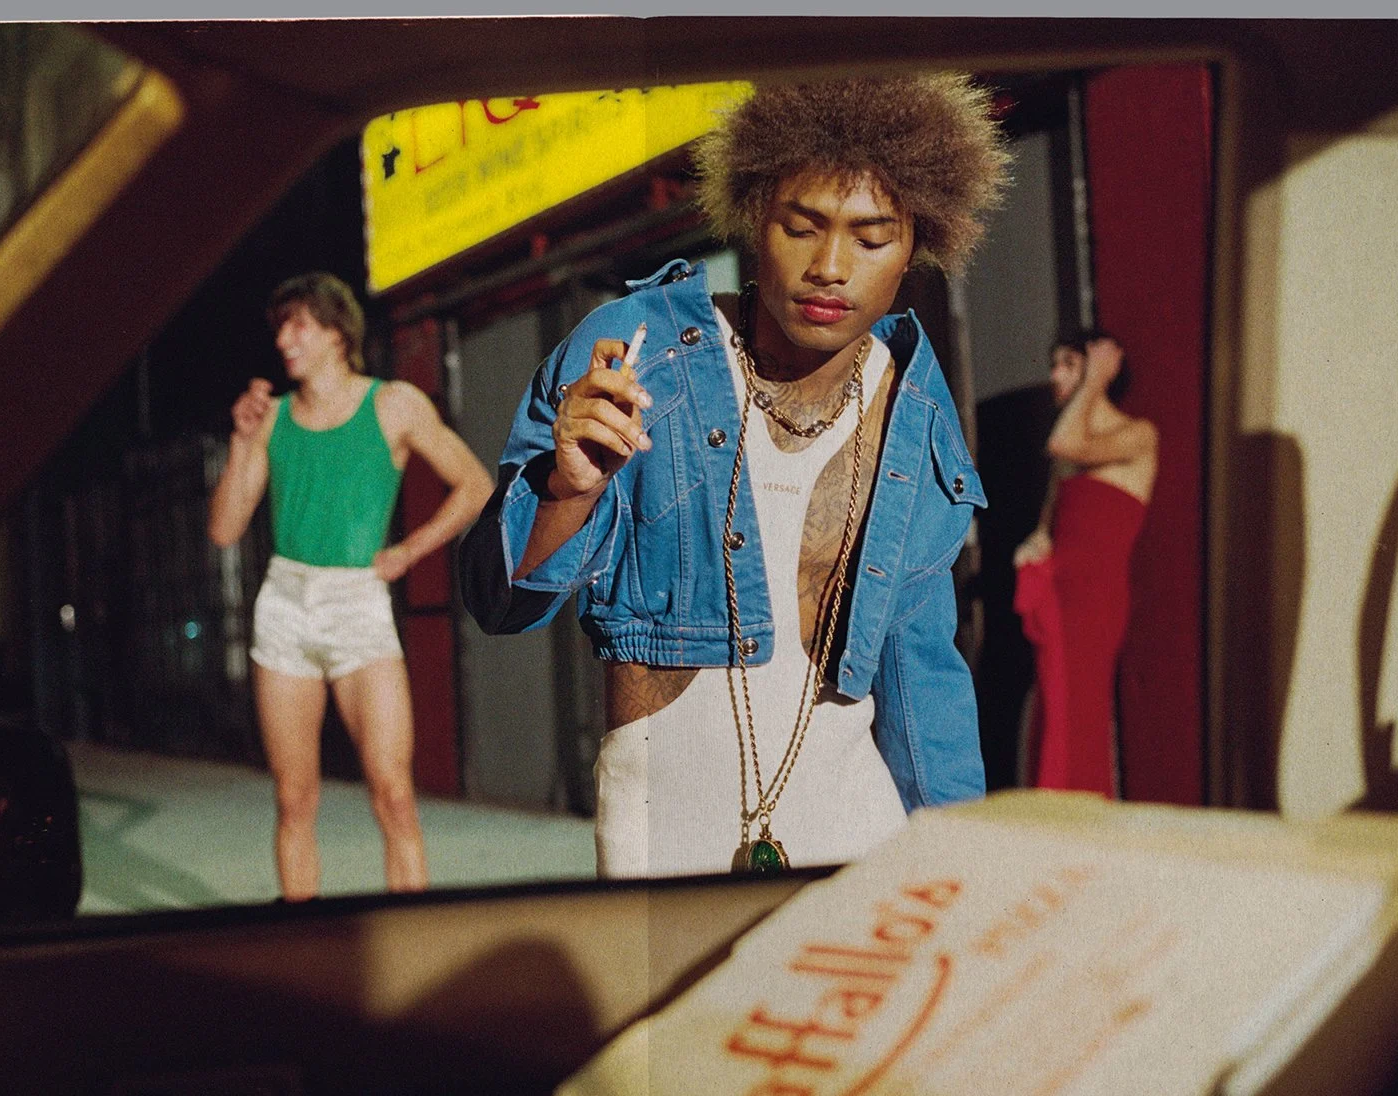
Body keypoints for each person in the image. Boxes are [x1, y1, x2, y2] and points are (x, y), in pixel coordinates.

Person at [461, 75, 1008, 878]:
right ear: (756, 217)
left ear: (917, 247)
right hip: (664, 829)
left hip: (859, 831)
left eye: (870, 237)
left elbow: (922, 675)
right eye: (803, 226)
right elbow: (500, 601)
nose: (830, 266)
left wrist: (965, 866)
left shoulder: (916, 414)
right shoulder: (636, 352)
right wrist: (567, 488)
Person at [209, 272, 493, 898]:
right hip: (285, 603)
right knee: (294, 799)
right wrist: (240, 441)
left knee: (393, 794)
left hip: (359, 604)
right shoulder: (272, 417)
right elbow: (226, 530)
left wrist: (410, 551)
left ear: (337, 333)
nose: (284, 339)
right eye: (280, 327)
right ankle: (301, 936)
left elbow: (474, 483)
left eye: (299, 325)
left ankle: (412, 942)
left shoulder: (392, 404)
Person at [1013, 330, 1157, 796]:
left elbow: (1065, 443)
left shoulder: (1136, 435)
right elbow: (1047, 527)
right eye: (1054, 364)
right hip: (1057, 598)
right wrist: (1034, 547)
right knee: (1052, 713)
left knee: (1079, 717)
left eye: (1068, 364)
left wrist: (1094, 380)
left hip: (1094, 605)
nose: (1055, 375)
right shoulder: (1069, 449)